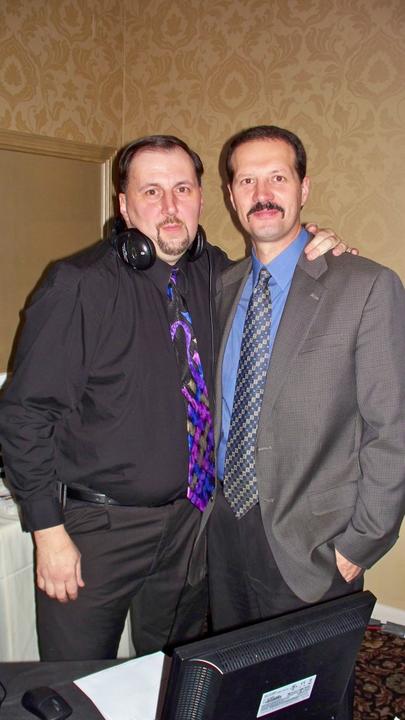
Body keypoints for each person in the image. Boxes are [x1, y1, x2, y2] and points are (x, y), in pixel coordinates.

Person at [0, 133, 349, 662]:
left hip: (191, 522)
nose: (169, 206)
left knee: (169, 672)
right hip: (98, 530)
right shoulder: (78, 285)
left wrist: (321, 246)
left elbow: (282, 271)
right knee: (76, 682)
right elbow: (25, 414)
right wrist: (48, 531)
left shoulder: (220, 276)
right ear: (124, 205)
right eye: (152, 191)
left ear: (203, 199)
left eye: (182, 189)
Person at [203, 125, 405, 718]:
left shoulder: (365, 286)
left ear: (303, 188)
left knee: (311, 697)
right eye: (247, 180)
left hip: (316, 540)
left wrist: (359, 544)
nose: (263, 193)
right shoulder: (222, 287)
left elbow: (392, 428)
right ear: (231, 196)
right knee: (238, 690)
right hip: (227, 527)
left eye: (278, 177)